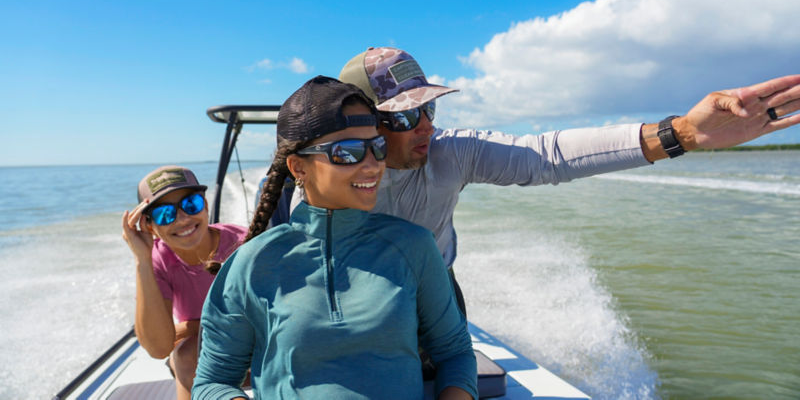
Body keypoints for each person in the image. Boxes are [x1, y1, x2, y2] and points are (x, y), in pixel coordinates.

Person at [278, 47, 800, 312]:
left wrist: (683, 133)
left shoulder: (448, 155)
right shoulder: (310, 190)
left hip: (428, 298)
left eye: (428, 110)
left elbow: (544, 155)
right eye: (403, 117)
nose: (426, 127)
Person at [192, 76, 477, 400]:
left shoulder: (413, 246)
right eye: (348, 152)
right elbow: (212, 382)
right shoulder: (251, 263)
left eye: (377, 147)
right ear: (298, 167)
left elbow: (455, 353)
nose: (372, 166)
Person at [121, 165, 247, 400]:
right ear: (150, 226)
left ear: (206, 206)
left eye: (191, 204)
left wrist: (190, 327)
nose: (182, 218)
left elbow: (265, 321)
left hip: (257, 351)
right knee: (184, 355)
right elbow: (159, 348)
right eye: (164, 214)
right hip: (208, 359)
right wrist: (142, 259)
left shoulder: (243, 244)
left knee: (185, 352)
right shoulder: (158, 260)